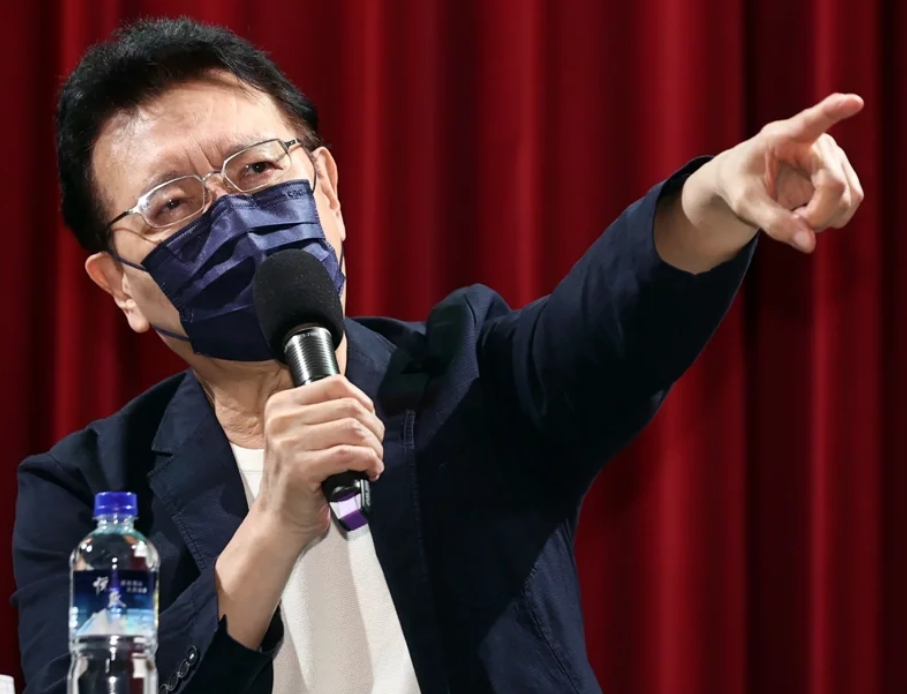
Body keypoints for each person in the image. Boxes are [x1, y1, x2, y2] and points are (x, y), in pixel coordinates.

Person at [11, 16, 863, 694]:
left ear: (328, 191)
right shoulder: (86, 493)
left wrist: (719, 196)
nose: (232, 216)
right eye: (171, 205)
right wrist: (271, 528)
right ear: (120, 287)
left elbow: (612, 321)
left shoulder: (466, 375)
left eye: (258, 169)